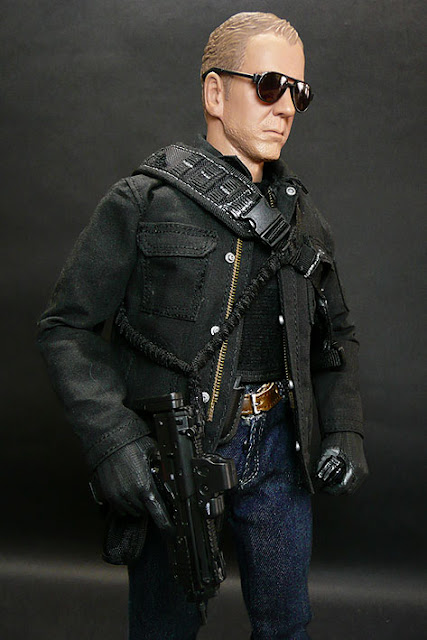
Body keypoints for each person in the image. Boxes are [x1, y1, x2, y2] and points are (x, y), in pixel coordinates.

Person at [37, 11, 368, 640]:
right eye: (269, 86)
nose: (286, 108)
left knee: (286, 622)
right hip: (181, 451)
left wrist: (344, 428)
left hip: (281, 447)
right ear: (216, 93)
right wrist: (114, 440)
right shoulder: (145, 202)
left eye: (299, 93)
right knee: (165, 623)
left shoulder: (302, 223)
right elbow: (66, 328)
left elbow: (337, 337)